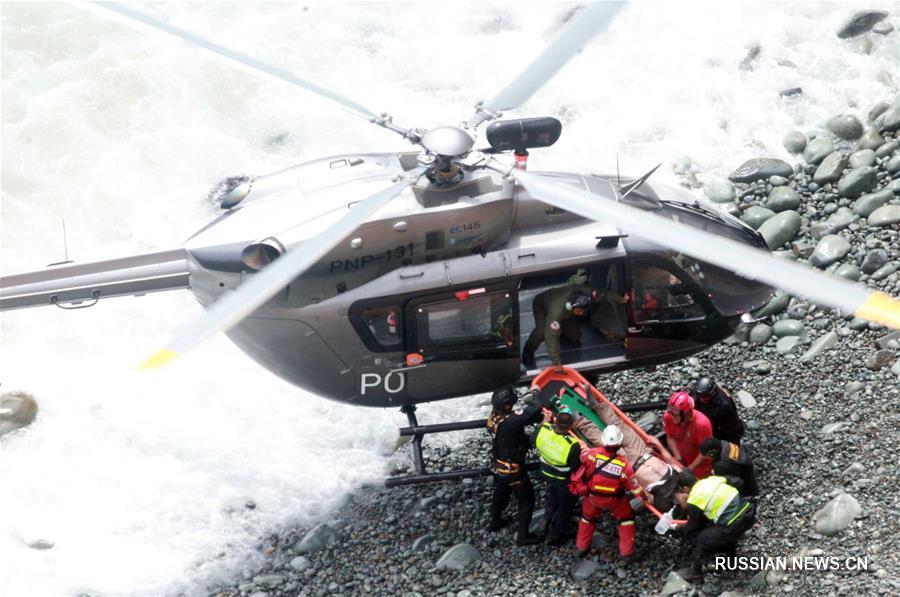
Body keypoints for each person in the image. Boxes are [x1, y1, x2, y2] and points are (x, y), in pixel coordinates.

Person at [574, 425, 650, 562]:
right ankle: (626, 553)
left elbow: (582, 457)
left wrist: (582, 446)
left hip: (592, 497)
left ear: (604, 442)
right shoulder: (624, 465)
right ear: (619, 444)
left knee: (587, 518)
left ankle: (581, 548)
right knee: (626, 519)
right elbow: (635, 488)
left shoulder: (592, 454)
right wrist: (645, 497)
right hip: (614, 501)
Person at [672, 470, 756, 583]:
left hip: (735, 524)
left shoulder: (694, 499)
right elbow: (737, 481)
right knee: (720, 531)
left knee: (702, 539)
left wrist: (677, 527)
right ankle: (731, 563)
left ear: (685, 488)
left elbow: (693, 526)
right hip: (749, 512)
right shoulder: (712, 480)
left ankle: (695, 573)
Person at [486, 385, 544, 546]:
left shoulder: (494, 417)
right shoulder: (510, 421)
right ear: (507, 405)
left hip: (499, 465)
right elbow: (535, 407)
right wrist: (536, 392)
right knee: (527, 500)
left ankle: (495, 521)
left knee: (501, 492)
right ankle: (523, 537)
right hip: (513, 469)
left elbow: (519, 420)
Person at [522, 284, 626, 371]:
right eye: (579, 311)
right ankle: (529, 348)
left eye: (583, 310)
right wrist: (556, 363)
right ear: (571, 306)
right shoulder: (556, 311)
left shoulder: (587, 293)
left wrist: (621, 299)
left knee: (575, 336)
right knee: (541, 332)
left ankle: (562, 329)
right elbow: (551, 335)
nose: (581, 313)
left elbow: (603, 294)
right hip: (542, 304)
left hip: (567, 313)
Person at [533, 407, 581, 546]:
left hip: (546, 472)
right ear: (571, 426)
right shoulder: (572, 445)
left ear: (555, 421)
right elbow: (575, 466)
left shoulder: (544, 430)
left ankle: (544, 523)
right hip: (562, 479)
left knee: (553, 497)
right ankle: (555, 536)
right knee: (564, 507)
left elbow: (533, 439)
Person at [664, 392, 713, 479]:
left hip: (700, 465)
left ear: (687, 413)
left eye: (675, 414)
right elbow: (670, 436)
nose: (672, 416)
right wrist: (679, 458)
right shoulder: (668, 417)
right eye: (670, 411)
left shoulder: (702, 425)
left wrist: (690, 468)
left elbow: (705, 452)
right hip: (682, 458)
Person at [690, 377, 745, 444]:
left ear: (712, 394)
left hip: (724, 427)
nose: (701, 399)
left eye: (704, 397)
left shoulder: (725, 404)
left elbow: (731, 426)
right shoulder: (697, 392)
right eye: (700, 396)